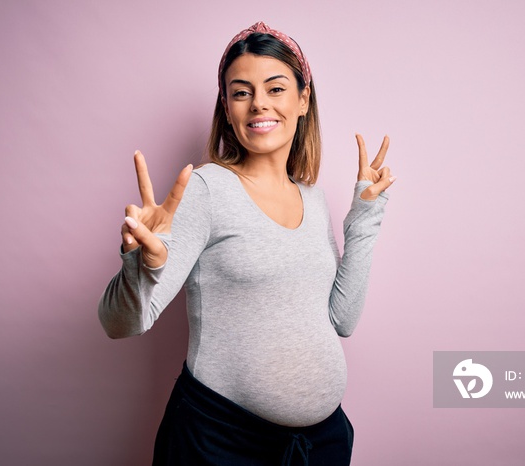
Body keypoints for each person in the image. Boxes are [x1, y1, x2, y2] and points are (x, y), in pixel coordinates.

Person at [98, 21, 396, 466]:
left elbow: (341, 319)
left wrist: (366, 216)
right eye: (241, 92)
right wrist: (142, 265)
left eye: (275, 89)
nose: (259, 103)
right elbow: (119, 323)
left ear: (302, 99)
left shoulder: (312, 198)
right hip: (222, 443)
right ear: (227, 106)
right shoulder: (207, 189)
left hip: (322, 445)